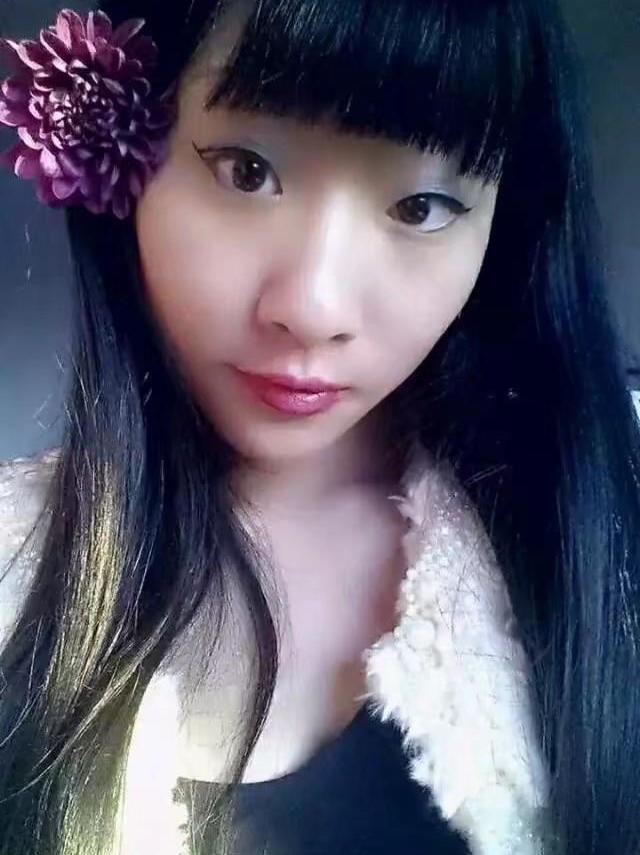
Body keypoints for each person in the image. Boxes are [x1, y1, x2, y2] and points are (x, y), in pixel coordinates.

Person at [0, 1, 639, 853]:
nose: (314, 308)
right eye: (246, 171)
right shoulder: (12, 563)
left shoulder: (603, 546)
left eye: (422, 207)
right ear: (126, 156)